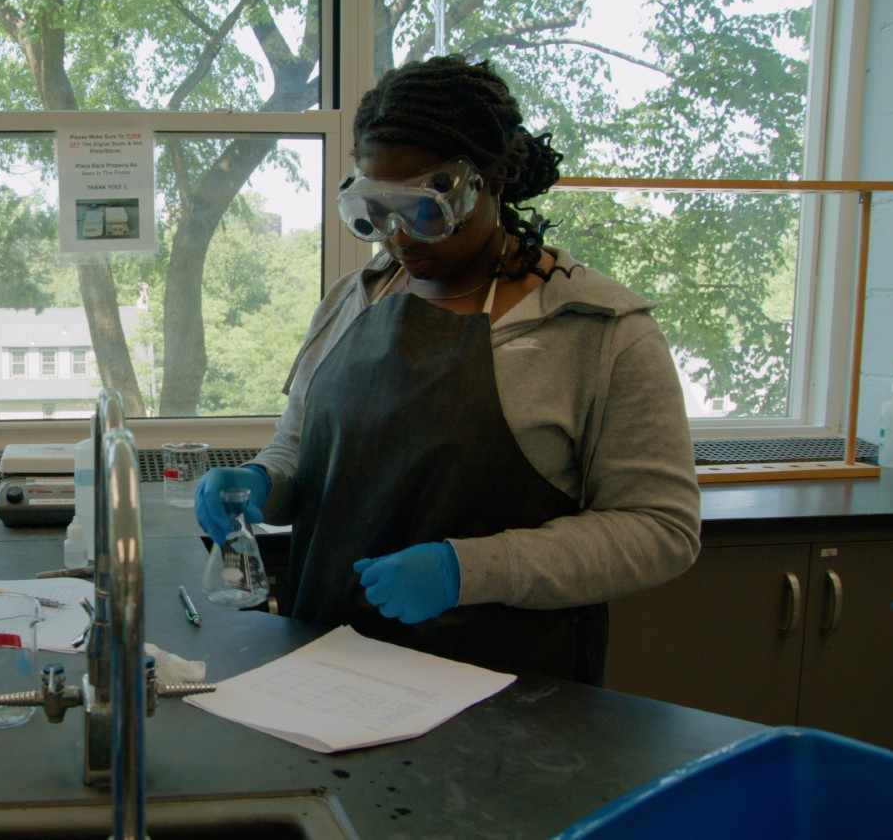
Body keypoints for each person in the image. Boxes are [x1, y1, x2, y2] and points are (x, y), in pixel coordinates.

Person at [194, 56, 699, 685]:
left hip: (508, 697)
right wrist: (262, 482)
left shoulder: (595, 330)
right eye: (377, 210)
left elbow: (660, 529)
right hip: (329, 669)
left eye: (425, 210)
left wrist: (470, 569)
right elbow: (300, 449)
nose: (398, 238)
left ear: (495, 177)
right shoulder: (355, 300)